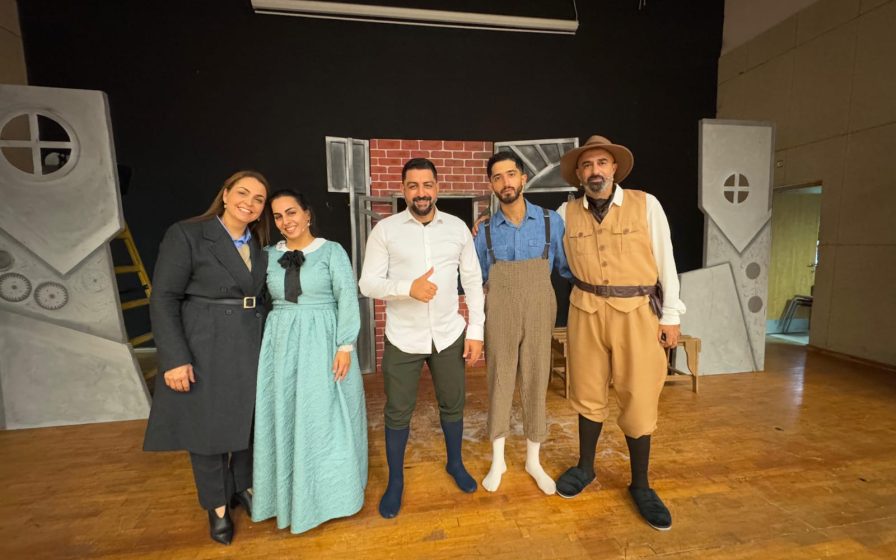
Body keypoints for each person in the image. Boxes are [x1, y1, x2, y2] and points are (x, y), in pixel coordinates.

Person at [554, 135, 686, 531]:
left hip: (638, 313)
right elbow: (537, 243)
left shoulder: (647, 205)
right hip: (585, 311)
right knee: (586, 391)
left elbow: (667, 260)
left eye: (601, 163)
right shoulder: (564, 213)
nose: (594, 171)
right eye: (587, 165)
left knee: (640, 395)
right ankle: (585, 467)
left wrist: (671, 315)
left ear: (614, 169)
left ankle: (641, 485)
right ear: (579, 174)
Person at [143, 170, 271, 545]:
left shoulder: (259, 244)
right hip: (205, 344)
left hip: (252, 341)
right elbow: (164, 298)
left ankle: (243, 487)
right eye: (243, 193)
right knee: (208, 430)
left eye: (259, 199)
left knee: (248, 422)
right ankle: (216, 506)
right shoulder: (188, 234)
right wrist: (174, 359)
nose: (249, 202)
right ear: (225, 194)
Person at [359, 157, 485, 519]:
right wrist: (407, 288)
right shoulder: (385, 230)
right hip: (404, 338)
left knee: (453, 404)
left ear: (437, 188)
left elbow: (472, 281)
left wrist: (476, 331)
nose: (421, 192)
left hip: (449, 334)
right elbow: (367, 283)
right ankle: (395, 481)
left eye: (427, 185)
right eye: (413, 186)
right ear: (403, 190)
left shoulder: (457, 228)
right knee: (398, 410)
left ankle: (455, 464)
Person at [251, 189, 368, 534]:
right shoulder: (267, 255)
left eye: (291, 212)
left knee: (324, 417)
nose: (285, 221)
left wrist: (345, 345)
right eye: (278, 216)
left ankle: (333, 494)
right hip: (282, 344)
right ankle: (287, 494)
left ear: (307, 214)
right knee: (287, 413)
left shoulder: (331, 251)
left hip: (324, 341)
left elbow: (347, 297)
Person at [473, 151, 572, 495]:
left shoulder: (550, 222)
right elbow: (473, 279)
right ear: (491, 184)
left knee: (536, 377)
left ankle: (533, 460)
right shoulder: (484, 231)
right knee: (499, 379)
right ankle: (498, 460)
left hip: (540, 307)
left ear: (523, 178)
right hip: (499, 309)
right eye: (497, 177)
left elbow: (566, 268)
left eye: (511, 174)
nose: (506, 182)